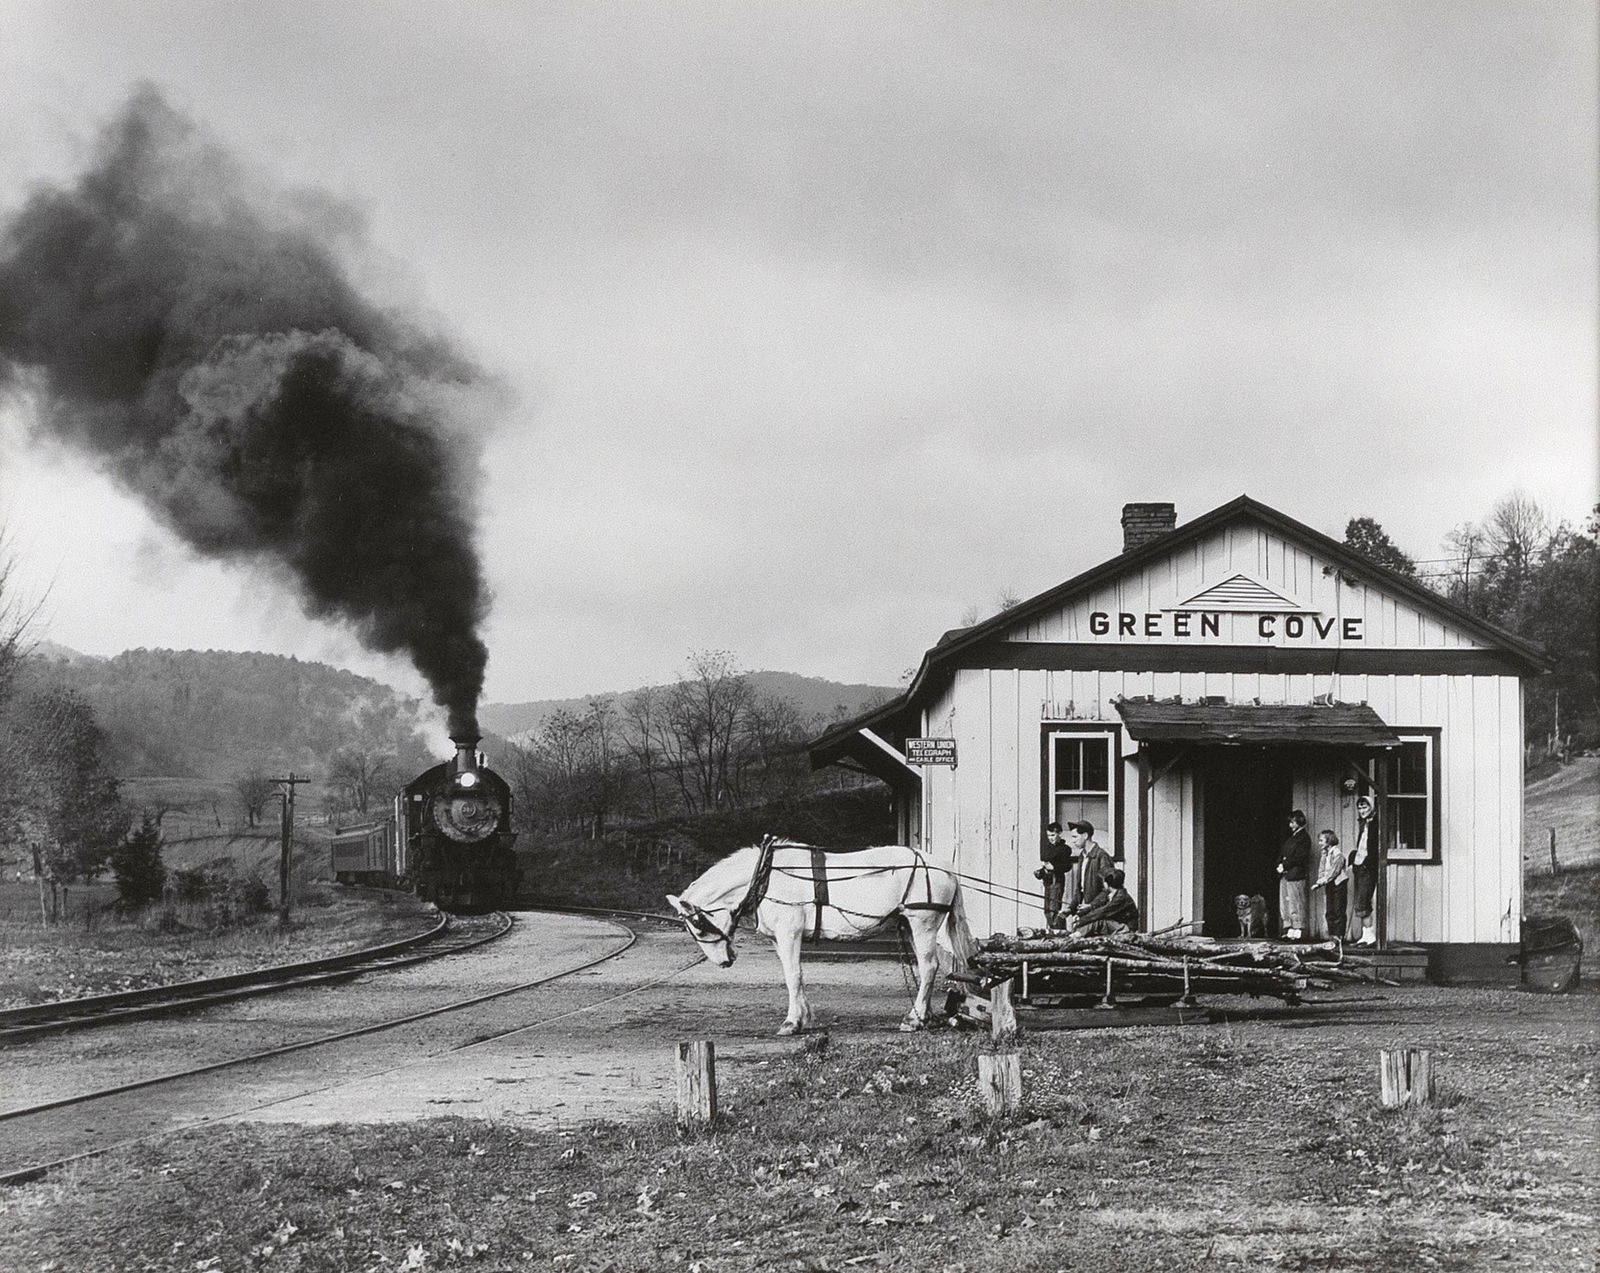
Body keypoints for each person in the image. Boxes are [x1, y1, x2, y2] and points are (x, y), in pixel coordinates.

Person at [1349, 794, 1380, 946]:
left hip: (1367, 868)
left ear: (1371, 807)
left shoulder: (1375, 824)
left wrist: (1367, 863)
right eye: (1360, 808)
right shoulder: (1364, 825)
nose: (1362, 810)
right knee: (1360, 902)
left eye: (1365, 807)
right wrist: (1354, 859)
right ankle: (1365, 935)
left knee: (1363, 902)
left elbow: (1374, 847)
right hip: (1359, 866)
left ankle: (1370, 936)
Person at [1066, 820, 1113, 919]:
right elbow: (1079, 889)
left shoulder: (1102, 856)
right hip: (1089, 911)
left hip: (1100, 913)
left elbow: (1108, 889)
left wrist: (1091, 905)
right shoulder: (1082, 856)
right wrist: (1070, 908)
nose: (1073, 841)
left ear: (1085, 836)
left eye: (1075, 837)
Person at [1277, 810, 1311, 940]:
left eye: (1293, 822)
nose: (1290, 825)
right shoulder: (1291, 838)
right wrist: (1279, 864)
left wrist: (1285, 865)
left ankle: (1298, 929)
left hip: (1296, 874)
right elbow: (1283, 853)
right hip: (1286, 875)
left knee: (1296, 902)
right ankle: (1289, 927)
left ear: (1300, 821)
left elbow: (1299, 856)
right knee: (1286, 903)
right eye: (1290, 822)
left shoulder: (1304, 838)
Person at [1072, 867, 1139, 935]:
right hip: (1118, 924)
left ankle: (1075, 935)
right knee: (1095, 921)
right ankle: (1077, 934)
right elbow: (1098, 905)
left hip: (1126, 927)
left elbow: (1103, 912)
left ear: (1107, 884)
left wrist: (1081, 920)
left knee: (1099, 922)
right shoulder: (1111, 894)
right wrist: (1081, 915)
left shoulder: (1121, 897)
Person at [1034, 821, 1073, 928]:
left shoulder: (1065, 849)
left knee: (1054, 910)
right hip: (1047, 881)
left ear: (1059, 834)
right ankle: (1053, 930)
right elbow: (1046, 865)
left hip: (1056, 881)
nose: (1050, 838)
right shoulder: (1048, 848)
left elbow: (1067, 866)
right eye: (1048, 836)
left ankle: (1059, 931)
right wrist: (1040, 872)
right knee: (1047, 910)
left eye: (1053, 835)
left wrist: (1054, 867)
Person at [1314, 829, 1347, 942]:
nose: (1319, 843)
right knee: (1330, 910)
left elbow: (1334, 870)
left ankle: (1338, 936)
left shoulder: (1337, 853)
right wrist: (1319, 880)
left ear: (1329, 841)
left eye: (1321, 840)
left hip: (1338, 883)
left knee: (1338, 910)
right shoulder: (1326, 854)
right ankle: (1332, 935)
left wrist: (1323, 880)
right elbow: (1322, 869)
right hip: (1330, 884)